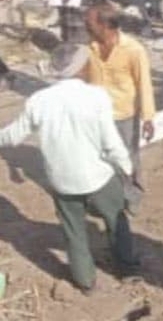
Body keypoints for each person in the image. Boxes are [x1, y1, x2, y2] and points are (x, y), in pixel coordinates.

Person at [0, 44, 138, 293]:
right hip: (98, 176)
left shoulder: (38, 101)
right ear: (82, 68)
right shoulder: (96, 97)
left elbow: (12, 136)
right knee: (116, 219)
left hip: (62, 180)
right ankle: (127, 267)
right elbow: (111, 142)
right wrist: (126, 167)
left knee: (74, 231)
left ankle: (85, 281)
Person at [83, 3, 155, 215]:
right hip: (97, 114)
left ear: (105, 25)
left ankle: (132, 195)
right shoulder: (90, 48)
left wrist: (148, 118)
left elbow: (144, 83)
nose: (86, 27)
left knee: (127, 157)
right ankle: (108, 197)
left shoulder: (134, 50)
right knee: (101, 157)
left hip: (124, 114)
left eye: (90, 23)